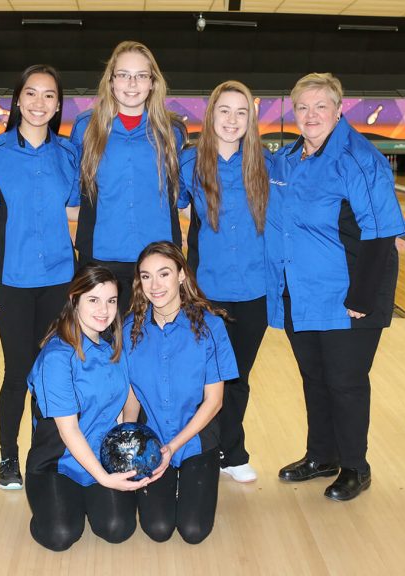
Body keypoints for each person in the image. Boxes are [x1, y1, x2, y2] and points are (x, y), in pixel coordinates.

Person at [266, 73, 405, 501]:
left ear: (339, 108)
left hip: (349, 295)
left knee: (345, 382)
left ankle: (354, 466)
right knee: (314, 378)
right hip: (301, 293)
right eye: (303, 107)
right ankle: (321, 455)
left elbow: (381, 233)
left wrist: (361, 298)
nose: (311, 115)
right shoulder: (289, 158)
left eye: (320, 106)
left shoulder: (359, 157)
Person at [0, 65, 80, 491]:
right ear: (18, 100)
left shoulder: (68, 153)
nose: (39, 103)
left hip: (58, 279)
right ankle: (7, 457)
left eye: (49, 96)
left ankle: (44, 453)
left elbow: (73, 213)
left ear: (58, 104)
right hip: (12, 280)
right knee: (17, 372)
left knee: (51, 372)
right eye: (31, 94)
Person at [179, 80, 269, 483]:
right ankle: (200, 452)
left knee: (238, 378)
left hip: (254, 292)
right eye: (224, 111)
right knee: (204, 378)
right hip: (207, 292)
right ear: (211, 114)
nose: (232, 120)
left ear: (251, 119)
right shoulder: (189, 163)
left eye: (241, 112)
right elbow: (167, 209)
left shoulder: (267, 165)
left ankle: (232, 452)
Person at [25, 264, 147, 551]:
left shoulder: (113, 345)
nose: (104, 310)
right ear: (74, 300)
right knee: (61, 535)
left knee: (118, 528)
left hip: (101, 454)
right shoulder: (57, 357)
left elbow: (126, 394)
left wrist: (124, 440)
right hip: (58, 463)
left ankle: (80, 500)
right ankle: (55, 504)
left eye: (111, 301)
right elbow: (69, 432)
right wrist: (104, 479)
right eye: (93, 300)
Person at [123, 241, 238, 544]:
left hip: (196, 439)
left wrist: (172, 448)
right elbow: (132, 394)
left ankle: (190, 477)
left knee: (193, 531)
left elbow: (214, 402)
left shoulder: (211, 327)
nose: (155, 285)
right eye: (146, 276)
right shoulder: (129, 330)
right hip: (152, 440)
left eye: (164, 274)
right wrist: (131, 442)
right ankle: (172, 481)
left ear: (182, 276)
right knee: (158, 529)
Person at [70, 41, 185, 314]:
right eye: (123, 75)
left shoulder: (172, 130)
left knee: (153, 348)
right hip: (101, 257)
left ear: (152, 83)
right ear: (111, 81)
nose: (132, 84)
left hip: (158, 259)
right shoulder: (86, 127)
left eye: (141, 75)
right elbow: (74, 190)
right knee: (104, 345)